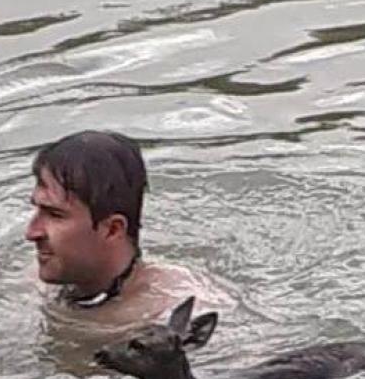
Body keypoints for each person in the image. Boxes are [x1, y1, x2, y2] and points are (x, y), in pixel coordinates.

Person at [25, 130, 232, 337]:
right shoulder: (33, 283)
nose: (31, 233)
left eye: (55, 215)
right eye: (38, 209)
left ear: (113, 229)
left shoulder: (178, 309)